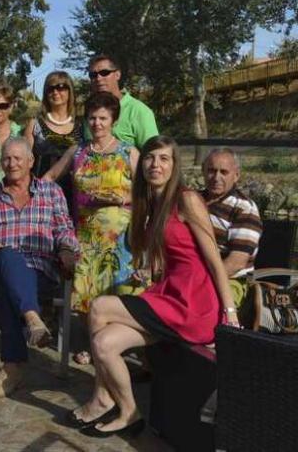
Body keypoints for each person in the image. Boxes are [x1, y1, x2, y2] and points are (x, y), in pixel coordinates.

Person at [68, 136, 238, 438]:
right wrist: (147, 271)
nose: (155, 165)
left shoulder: (187, 199)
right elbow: (160, 257)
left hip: (192, 303)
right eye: (150, 158)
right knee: (105, 344)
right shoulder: (150, 205)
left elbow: (213, 260)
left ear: (174, 166)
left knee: (98, 306)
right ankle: (130, 412)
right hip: (168, 294)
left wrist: (230, 312)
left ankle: (102, 397)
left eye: (163, 159)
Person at [0, 137, 79, 399]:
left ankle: (11, 369)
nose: (12, 163)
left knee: (11, 288)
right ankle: (32, 318)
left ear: (31, 162)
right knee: (9, 258)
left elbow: (65, 229)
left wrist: (66, 249)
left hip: (41, 270)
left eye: (18, 158)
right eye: (7, 158)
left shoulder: (52, 192)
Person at [44, 92, 138, 365]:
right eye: (93, 118)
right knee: (86, 294)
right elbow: (50, 177)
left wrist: (122, 199)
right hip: (85, 234)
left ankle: (110, 345)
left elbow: (149, 191)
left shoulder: (127, 151)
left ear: (113, 120)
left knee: (116, 292)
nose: (97, 123)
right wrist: (32, 194)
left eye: (103, 118)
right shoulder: (78, 151)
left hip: (122, 237)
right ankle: (95, 344)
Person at [201, 148, 263, 308]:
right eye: (211, 171)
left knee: (199, 305)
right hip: (189, 272)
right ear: (203, 171)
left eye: (224, 172)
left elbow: (236, 262)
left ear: (236, 175)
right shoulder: (192, 200)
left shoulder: (244, 208)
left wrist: (199, 282)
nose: (216, 177)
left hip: (230, 280)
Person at [24, 72, 82, 202]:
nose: (55, 92)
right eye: (50, 88)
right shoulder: (35, 125)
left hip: (75, 197)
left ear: (70, 91)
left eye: (61, 87)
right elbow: (24, 163)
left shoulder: (82, 126)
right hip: (41, 195)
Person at [86, 54, 158, 148]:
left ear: (117, 75)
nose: (99, 78)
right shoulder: (89, 111)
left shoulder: (139, 111)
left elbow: (153, 151)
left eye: (104, 73)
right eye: (93, 75)